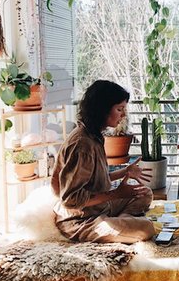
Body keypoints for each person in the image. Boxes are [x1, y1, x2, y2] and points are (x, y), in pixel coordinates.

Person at [51, 80, 156, 244]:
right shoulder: (82, 145)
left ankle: (118, 224)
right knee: (146, 228)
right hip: (80, 220)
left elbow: (93, 181)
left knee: (145, 193)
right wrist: (117, 194)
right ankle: (118, 225)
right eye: (119, 109)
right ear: (102, 109)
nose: (123, 115)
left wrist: (125, 172)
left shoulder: (93, 136)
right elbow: (71, 199)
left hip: (100, 208)